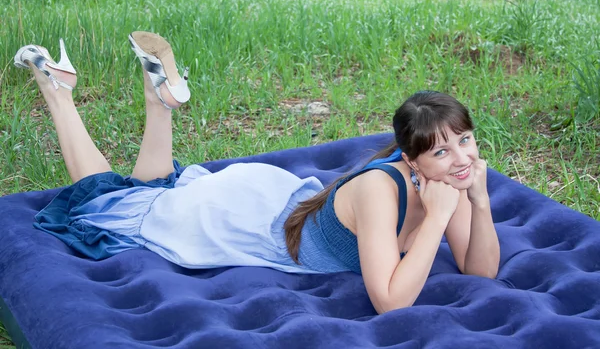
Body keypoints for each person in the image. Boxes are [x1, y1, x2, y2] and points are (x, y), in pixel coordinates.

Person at [14, 32, 500, 314]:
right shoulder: (381, 189)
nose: (461, 158)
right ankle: (58, 92)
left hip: (279, 199)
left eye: (465, 139)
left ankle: (145, 100)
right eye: (442, 151)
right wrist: (436, 220)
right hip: (245, 221)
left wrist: (477, 202)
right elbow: (391, 302)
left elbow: (481, 271)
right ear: (411, 160)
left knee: (146, 192)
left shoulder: (448, 181)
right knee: (110, 201)